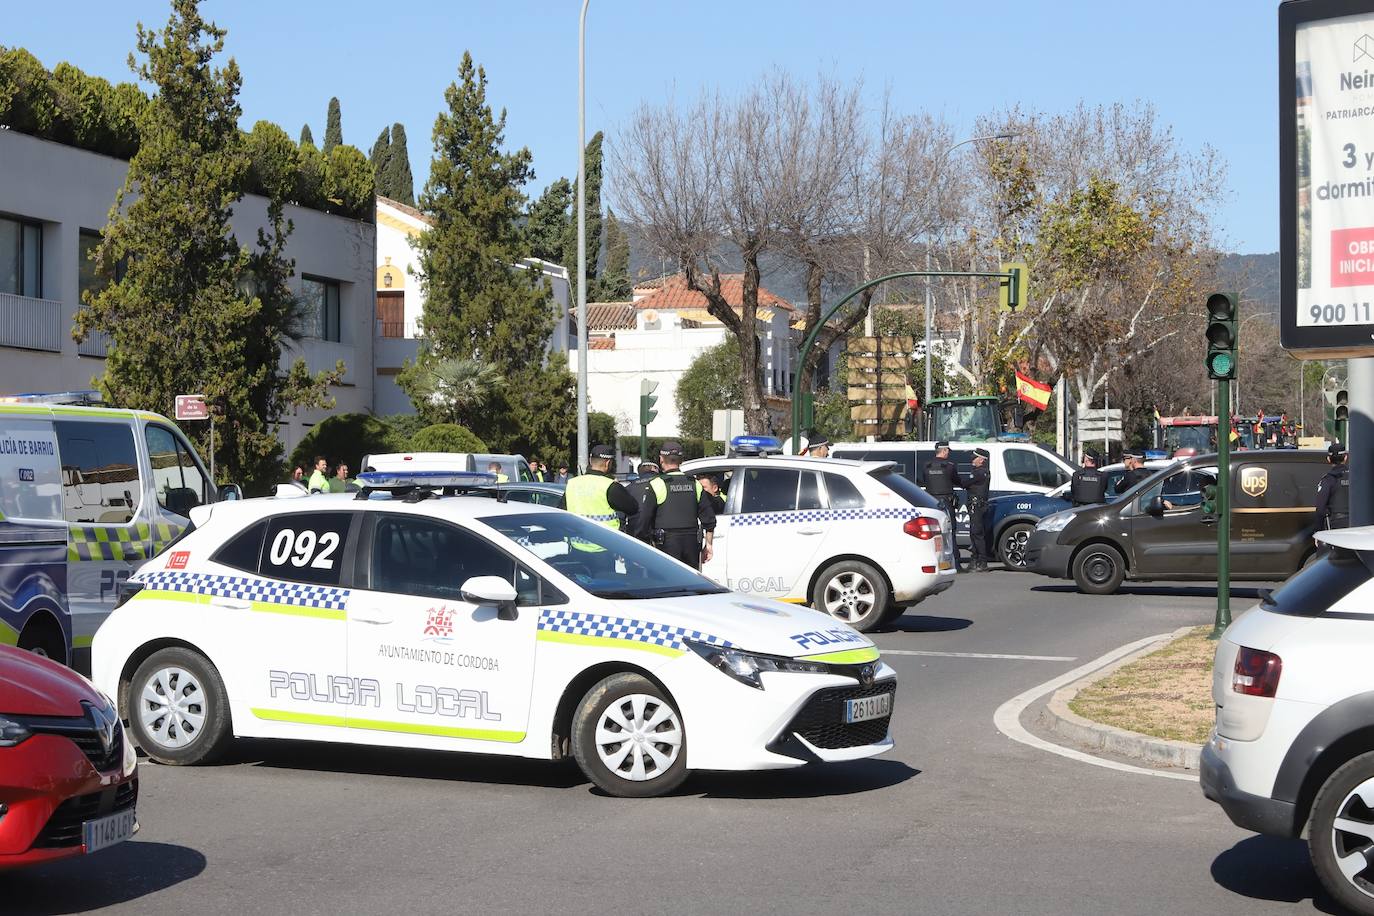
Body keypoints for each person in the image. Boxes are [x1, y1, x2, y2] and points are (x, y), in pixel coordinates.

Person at [632, 440, 716, 570]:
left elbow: (644, 521)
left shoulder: (657, 484)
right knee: (690, 584)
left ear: (661, 459)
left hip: (665, 546)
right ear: (681, 460)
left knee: (668, 584)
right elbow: (709, 520)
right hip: (692, 546)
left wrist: (641, 546)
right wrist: (709, 545)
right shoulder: (695, 484)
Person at [923, 441, 962, 571]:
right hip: (946, 503)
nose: (948, 453)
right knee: (950, 532)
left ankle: (935, 562)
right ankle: (956, 563)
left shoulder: (926, 465)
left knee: (934, 533)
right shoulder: (949, 466)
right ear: (944, 451)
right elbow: (958, 481)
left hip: (931, 503)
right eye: (947, 451)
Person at [967, 448, 992, 572]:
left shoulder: (979, 472)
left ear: (981, 460)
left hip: (977, 505)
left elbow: (965, 483)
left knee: (976, 533)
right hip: (978, 504)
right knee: (975, 533)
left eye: (975, 458)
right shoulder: (983, 472)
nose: (972, 460)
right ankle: (976, 559)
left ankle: (982, 561)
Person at [1316, 442, 1350, 530]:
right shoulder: (1357, 478)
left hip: (1336, 525)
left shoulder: (1328, 480)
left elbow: (1320, 509)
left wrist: (1319, 531)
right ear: (1345, 457)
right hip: (1357, 524)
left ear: (1329, 459)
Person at [625, 460, 663, 536]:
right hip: (658, 531)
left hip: (634, 532)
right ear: (654, 469)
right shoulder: (662, 483)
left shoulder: (629, 488)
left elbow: (621, 515)